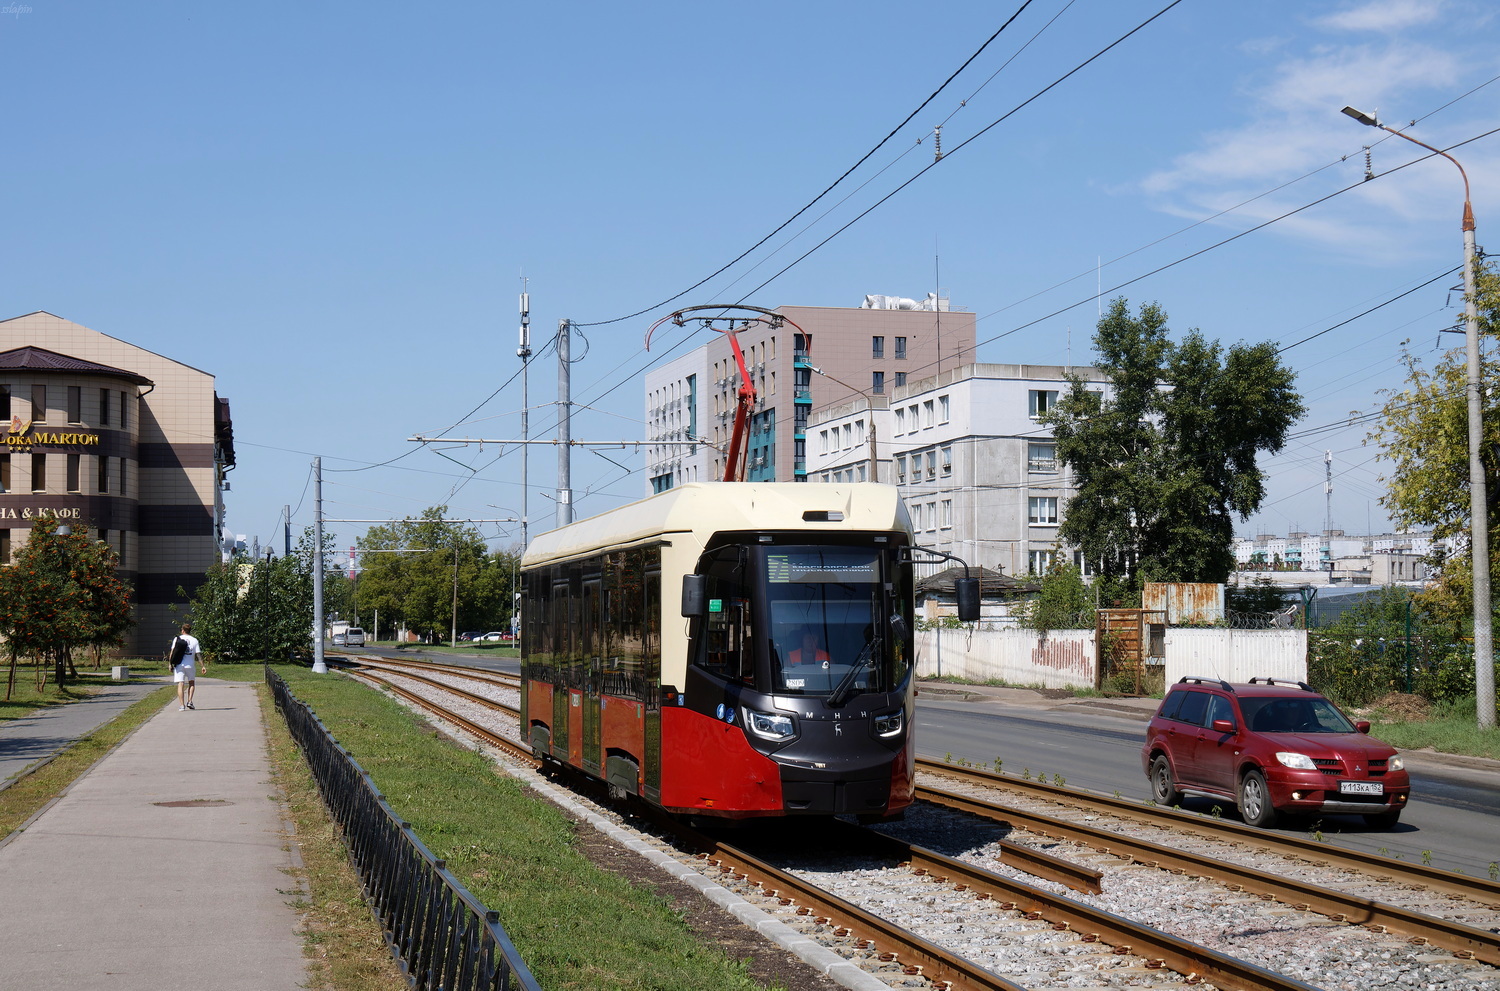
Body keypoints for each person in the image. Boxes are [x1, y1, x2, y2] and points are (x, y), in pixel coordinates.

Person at [168, 622, 206, 711]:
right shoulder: (194, 640)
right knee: (191, 683)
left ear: (182, 630)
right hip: (190, 665)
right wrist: (203, 666)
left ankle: (182, 705)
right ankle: (190, 701)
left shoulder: (177, 639)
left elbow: (172, 652)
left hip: (179, 664)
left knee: (180, 684)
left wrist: (170, 664)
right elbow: (198, 655)